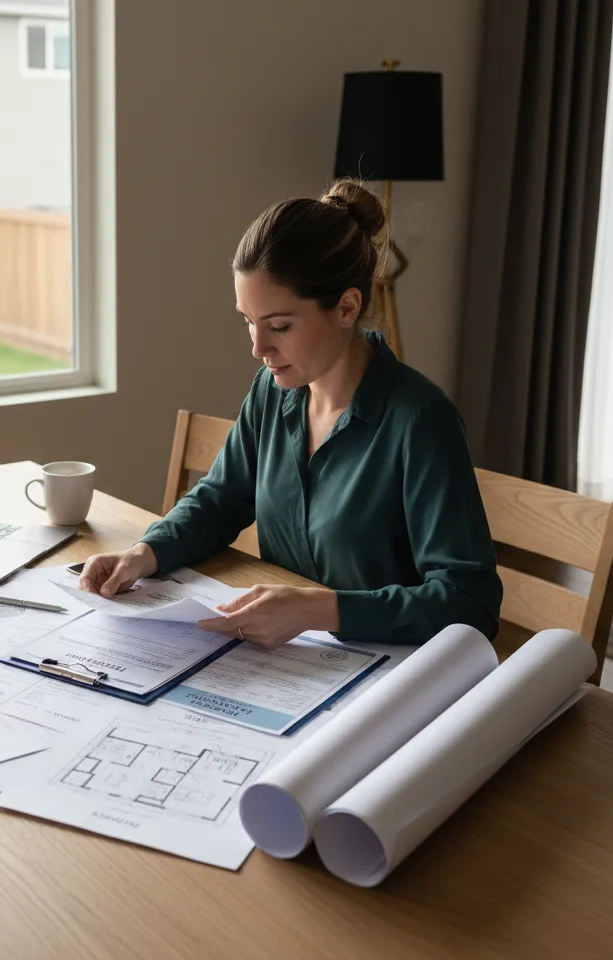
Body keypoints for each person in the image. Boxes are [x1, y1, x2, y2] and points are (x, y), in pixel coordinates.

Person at [80, 180, 502, 648]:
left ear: (346, 307)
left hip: (388, 672)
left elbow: (469, 601)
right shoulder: (273, 391)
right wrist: (146, 552)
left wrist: (319, 609)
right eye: (247, 322)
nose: (258, 348)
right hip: (285, 662)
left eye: (279, 325)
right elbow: (222, 498)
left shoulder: (420, 421)